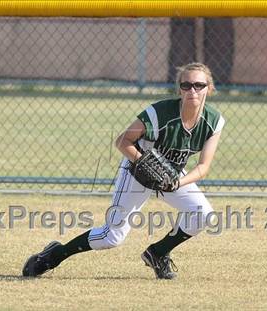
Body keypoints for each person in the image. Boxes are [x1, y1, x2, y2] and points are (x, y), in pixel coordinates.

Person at [22, 62, 225, 280]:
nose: (192, 90)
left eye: (198, 85)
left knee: (203, 214)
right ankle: (54, 255)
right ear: (179, 89)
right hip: (137, 172)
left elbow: (203, 167)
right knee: (112, 237)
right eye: (186, 85)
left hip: (172, 176)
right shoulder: (159, 113)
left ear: (209, 89)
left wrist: (176, 183)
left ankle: (157, 253)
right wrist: (145, 164)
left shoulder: (214, 121)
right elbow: (123, 140)